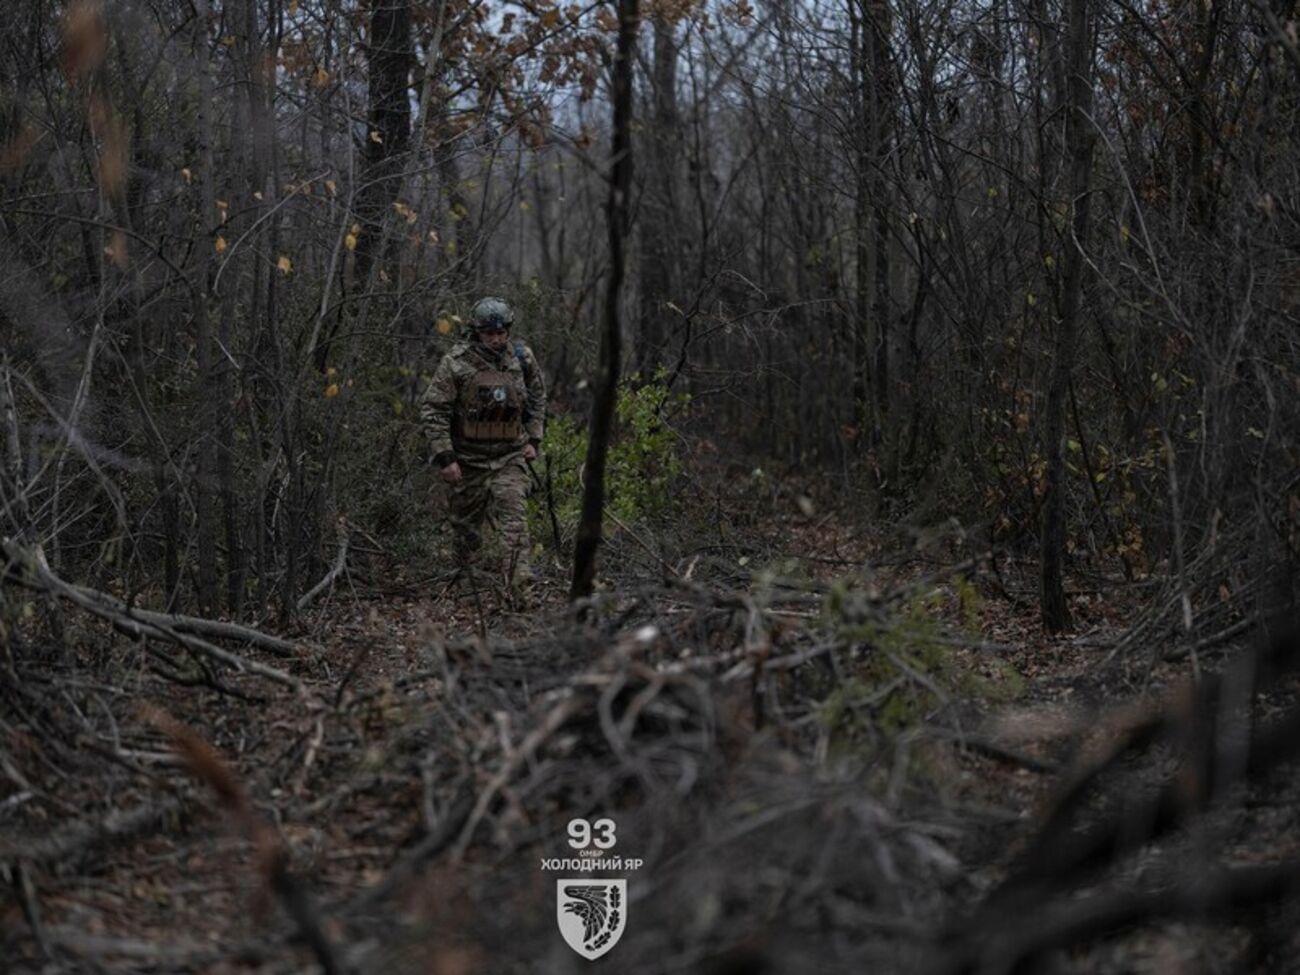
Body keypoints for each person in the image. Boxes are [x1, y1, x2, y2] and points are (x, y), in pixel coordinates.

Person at [419, 297, 546, 605]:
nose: (496, 338)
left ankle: (521, 592)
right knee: (465, 531)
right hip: (468, 459)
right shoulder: (456, 362)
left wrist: (533, 440)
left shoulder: (522, 358)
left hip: (509, 456)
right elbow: (434, 409)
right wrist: (445, 457)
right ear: (477, 332)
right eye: (489, 333)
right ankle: (467, 590)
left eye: (501, 332)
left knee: (515, 523)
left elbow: (537, 398)